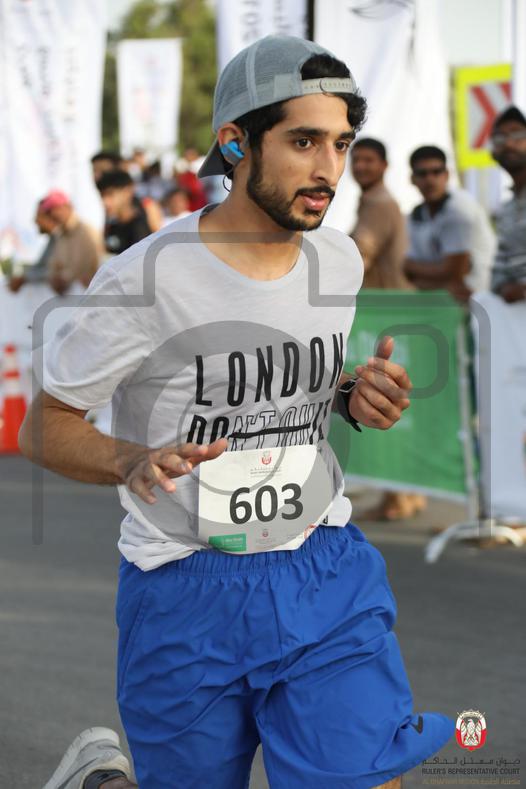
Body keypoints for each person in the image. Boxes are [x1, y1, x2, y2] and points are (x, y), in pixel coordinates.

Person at [24, 35, 454, 789]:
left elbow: (290, 382)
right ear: (235, 142)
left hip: (322, 566)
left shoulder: (337, 260)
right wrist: (130, 457)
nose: (329, 169)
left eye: (341, 144)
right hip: (185, 585)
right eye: (303, 141)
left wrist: (351, 395)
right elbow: (45, 423)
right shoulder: (148, 277)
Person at [350, 138, 426, 521]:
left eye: (369, 160)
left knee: (384, 403)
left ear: (384, 165)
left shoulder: (379, 204)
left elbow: (359, 256)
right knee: (397, 406)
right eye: (356, 159)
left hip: (387, 321)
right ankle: (407, 494)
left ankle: (397, 497)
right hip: (393, 317)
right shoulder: (375, 201)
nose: (361, 166)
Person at [404, 146, 495, 303]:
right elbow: (407, 272)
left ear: (447, 175)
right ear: (412, 179)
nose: (430, 180)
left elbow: (455, 274)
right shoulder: (417, 214)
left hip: (481, 302)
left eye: (436, 172)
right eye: (422, 173)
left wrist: (417, 270)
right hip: (446, 302)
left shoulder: (459, 209)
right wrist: (441, 276)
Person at [489, 105, 526, 302]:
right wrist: (504, 287)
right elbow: (498, 270)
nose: (509, 143)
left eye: (517, 135)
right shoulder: (506, 209)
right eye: (499, 138)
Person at [39, 190, 102, 294]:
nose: (53, 214)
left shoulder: (87, 232)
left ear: (67, 207)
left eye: (56, 208)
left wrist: (65, 278)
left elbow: (88, 267)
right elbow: (53, 265)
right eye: (49, 211)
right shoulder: (60, 235)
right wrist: (55, 277)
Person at [7, 198, 59, 293]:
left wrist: (24, 279)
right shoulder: (54, 239)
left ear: (52, 217)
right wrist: (24, 277)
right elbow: (39, 267)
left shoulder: (62, 241)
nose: (35, 220)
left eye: (39, 215)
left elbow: (54, 272)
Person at [97, 170, 152, 256]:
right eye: (102, 196)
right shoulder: (110, 226)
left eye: (110, 194)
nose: (105, 202)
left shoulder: (139, 228)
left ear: (127, 191)